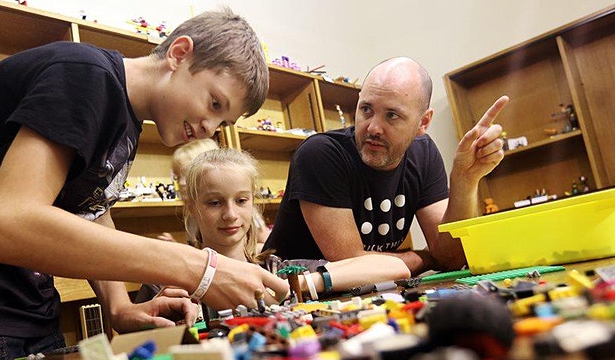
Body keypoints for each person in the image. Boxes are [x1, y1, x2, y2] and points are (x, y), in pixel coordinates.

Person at [0, 8, 288, 360]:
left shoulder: (122, 118)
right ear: (179, 54)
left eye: (222, 120)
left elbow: (89, 208)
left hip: (16, 314)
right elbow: (8, 224)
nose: (209, 127)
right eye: (214, 102)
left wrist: (119, 306)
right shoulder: (84, 76)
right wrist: (201, 266)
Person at [264, 57, 509, 275]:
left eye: (392, 115)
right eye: (366, 109)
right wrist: (424, 257)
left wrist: (465, 181)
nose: (372, 128)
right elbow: (352, 264)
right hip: (289, 298)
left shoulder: (423, 153)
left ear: (423, 122)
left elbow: (451, 257)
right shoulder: (320, 154)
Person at [138, 148, 410, 304]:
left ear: (253, 202)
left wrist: (304, 283)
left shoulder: (278, 269)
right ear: (192, 207)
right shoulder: (166, 280)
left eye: (241, 200)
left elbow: (397, 267)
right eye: (214, 203)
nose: (231, 214)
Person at [156, 138, 271, 248]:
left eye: (186, 174)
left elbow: (266, 244)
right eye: (177, 176)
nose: (181, 182)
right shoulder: (192, 214)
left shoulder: (243, 212)